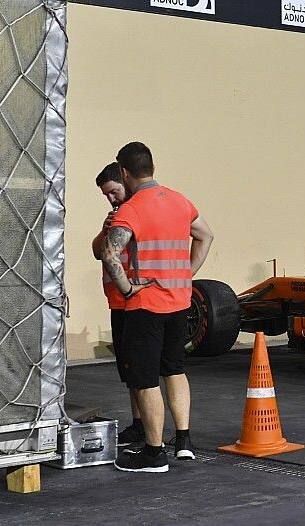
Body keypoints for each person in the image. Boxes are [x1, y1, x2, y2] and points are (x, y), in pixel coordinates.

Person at [102, 141, 214, 473]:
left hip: (145, 305)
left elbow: (109, 253)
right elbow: (206, 236)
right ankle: (183, 441)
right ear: (152, 167)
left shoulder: (132, 209)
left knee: (145, 378)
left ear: (124, 172)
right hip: (179, 301)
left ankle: (154, 453)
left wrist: (126, 288)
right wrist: (187, 273)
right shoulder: (180, 201)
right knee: (174, 369)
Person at [91, 162, 144, 448]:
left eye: (113, 192)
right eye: (106, 196)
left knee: (141, 370)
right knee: (129, 371)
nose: (111, 199)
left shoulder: (136, 214)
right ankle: (139, 424)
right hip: (118, 302)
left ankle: (147, 426)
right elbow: (98, 251)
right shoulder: (116, 217)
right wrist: (104, 231)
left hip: (135, 301)